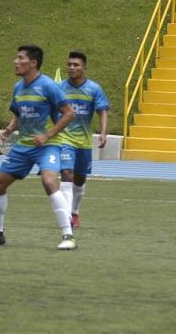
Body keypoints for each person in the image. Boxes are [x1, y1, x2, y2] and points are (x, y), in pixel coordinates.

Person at [0, 45, 77, 250]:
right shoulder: (18, 87)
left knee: (49, 181)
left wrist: (47, 135)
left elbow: (69, 113)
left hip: (48, 145)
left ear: (33, 63)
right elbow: (19, 114)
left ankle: (68, 236)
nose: (15, 61)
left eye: (20, 58)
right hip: (24, 146)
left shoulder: (48, 85)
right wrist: (10, 129)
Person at [57, 51, 109, 229]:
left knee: (80, 179)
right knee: (66, 173)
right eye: (69, 64)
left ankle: (74, 212)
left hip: (84, 142)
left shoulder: (94, 89)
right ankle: (66, 216)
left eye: (76, 65)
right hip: (65, 139)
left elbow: (102, 111)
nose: (71, 68)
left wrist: (103, 133)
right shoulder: (60, 88)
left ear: (84, 68)